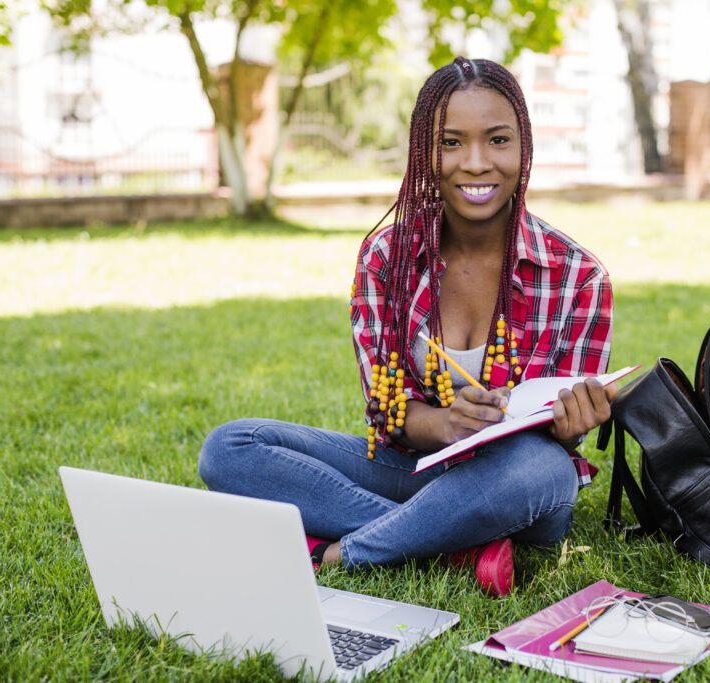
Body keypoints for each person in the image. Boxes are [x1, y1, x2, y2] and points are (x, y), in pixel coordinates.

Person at [199, 57, 615, 596]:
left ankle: (348, 551)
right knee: (231, 447)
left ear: (523, 148)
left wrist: (571, 424)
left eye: (497, 140)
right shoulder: (386, 259)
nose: (475, 163)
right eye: (450, 143)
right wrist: (447, 425)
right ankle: (459, 549)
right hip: (413, 469)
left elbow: (566, 436)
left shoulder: (580, 277)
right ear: (425, 152)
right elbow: (386, 410)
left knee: (545, 469)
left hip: (515, 486)